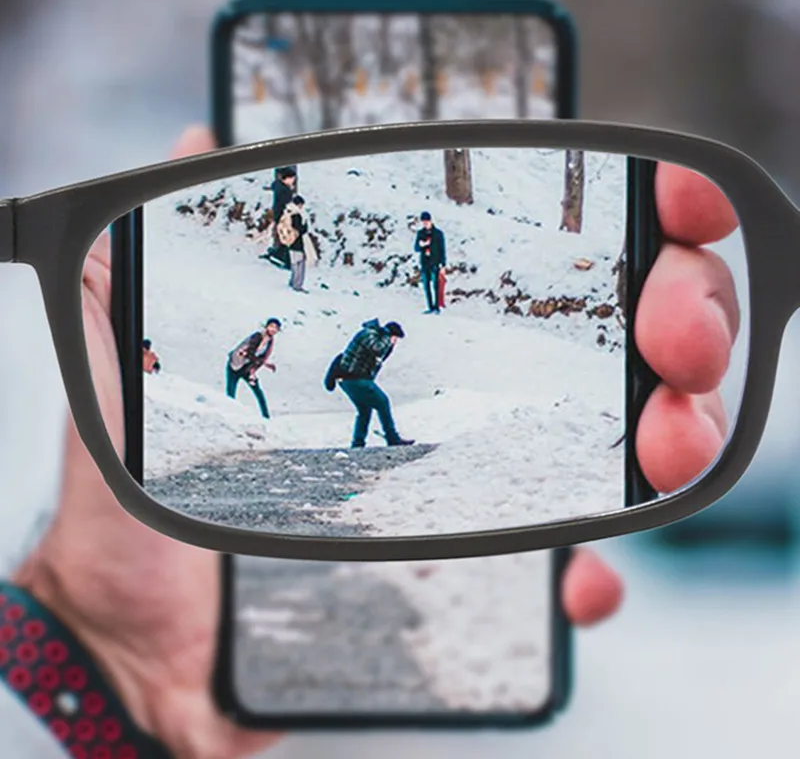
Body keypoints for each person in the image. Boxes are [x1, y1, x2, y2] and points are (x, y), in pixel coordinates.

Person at [0, 125, 739, 759]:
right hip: (81, 667)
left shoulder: (376, 339)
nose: (390, 339)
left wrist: (79, 664)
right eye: (392, 334)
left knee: (375, 402)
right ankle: (373, 439)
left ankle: (370, 440)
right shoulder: (364, 337)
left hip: (75, 696)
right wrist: (83, 633)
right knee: (372, 398)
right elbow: (332, 358)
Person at [331, 318, 415, 449]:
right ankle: (392, 437)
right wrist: (388, 339)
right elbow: (377, 349)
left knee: (364, 410)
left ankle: (358, 443)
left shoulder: (374, 336)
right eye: (395, 338)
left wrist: (389, 347)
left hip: (350, 380)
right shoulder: (369, 333)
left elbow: (378, 360)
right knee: (383, 402)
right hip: (354, 378)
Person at [225, 318, 281, 419]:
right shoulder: (258, 336)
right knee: (231, 392)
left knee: (258, 392)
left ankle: (266, 417)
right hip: (235, 364)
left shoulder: (269, 342)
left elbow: (262, 357)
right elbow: (250, 353)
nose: (273, 330)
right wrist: (265, 364)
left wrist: (255, 369)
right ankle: (229, 416)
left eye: (276, 328)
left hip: (247, 369)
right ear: (266, 326)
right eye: (271, 326)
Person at [260, 166, 297, 270]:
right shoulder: (285, 190)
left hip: (277, 214)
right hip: (283, 216)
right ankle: (283, 259)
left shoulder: (277, 185)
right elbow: (287, 204)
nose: (293, 181)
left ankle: (276, 253)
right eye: (292, 178)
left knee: (278, 235)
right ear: (287, 178)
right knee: (285, 237)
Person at [414, 211, 446, 314]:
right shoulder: (420, 233)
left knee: (435, 286)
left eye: (426, 221)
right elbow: (416, 248)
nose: (425, 224)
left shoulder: (438, 234)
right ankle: (430, 306)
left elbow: (442, 249)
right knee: (426, 286)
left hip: (435, 262)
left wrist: (443, 264)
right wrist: (422, 245)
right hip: (425, 263)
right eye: (423, 222)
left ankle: (436, 307)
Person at [283, 194, 309, 293]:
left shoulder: (288, 212)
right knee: (300, 264)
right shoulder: (296, 215)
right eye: (301, 205)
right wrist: (305, 226)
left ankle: (292, 281)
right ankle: (297, 285)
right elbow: (299, 230)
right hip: (297, 242)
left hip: (289, 241)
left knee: (294, 263)